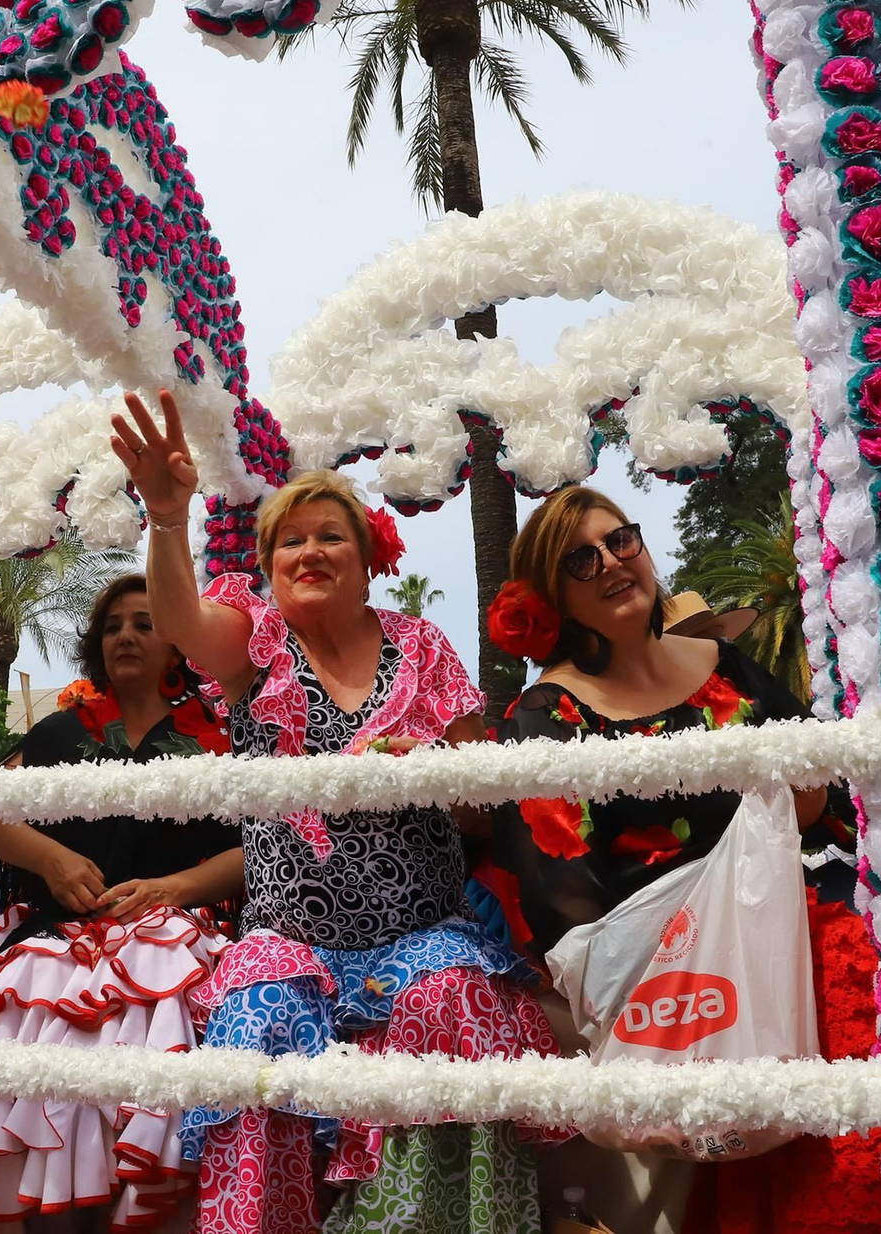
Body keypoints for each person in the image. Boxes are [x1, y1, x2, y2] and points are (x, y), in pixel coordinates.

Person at [113, 392, 557, 1234]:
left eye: (330, 534)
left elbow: (478, 793)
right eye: (291, 539)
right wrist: (168, 519)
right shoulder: (255, 640)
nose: (309, 549)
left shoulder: (423, 648)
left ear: (365, 557)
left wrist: (428, 775)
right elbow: (178, 619)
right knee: (254, 1022)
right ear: (270, 565)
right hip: (289, 937)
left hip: (424, 928)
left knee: (454, 998)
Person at [483, 486, 881, 1234]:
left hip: (801, 907)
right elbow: (566, 901)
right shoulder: (543, 717)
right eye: (581, 559)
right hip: (679, 973)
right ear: (552, 596)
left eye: (621, 540)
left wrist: (793, 813)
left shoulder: (722, 662)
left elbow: (822, 783)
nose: (610, 563)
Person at [0, 574, 244, 1230]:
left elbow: (252, 851)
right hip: (57, 937)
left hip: (174, 937)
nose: (125, 634)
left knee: (158, 1036)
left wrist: (171, 889)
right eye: (113, 625)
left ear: (179, 644)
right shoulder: (58, 735)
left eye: (145, 623)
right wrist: (50, 858)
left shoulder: (215, 739)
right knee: (30, 1034)